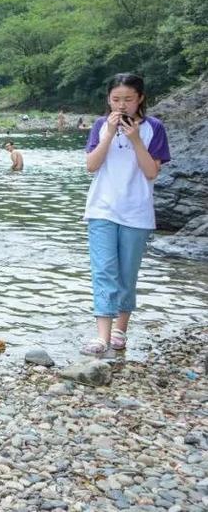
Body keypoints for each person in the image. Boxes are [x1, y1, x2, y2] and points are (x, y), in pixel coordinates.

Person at [80, 73, 170, 357]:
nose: (121, 105)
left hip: (137, 212)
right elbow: (91, 166)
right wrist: (108, 134)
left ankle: (121, 329)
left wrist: (135, 140)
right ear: (108, 99)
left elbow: (151, 171)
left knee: (127, 275)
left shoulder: (154, 128)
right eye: (116, 99)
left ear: (140, 99)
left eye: (128, 99)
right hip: (101, 209)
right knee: (103, 271)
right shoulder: (99, 125)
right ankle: (102, 337)